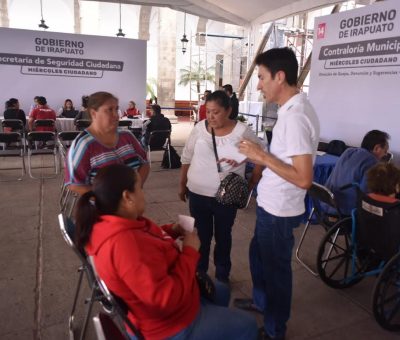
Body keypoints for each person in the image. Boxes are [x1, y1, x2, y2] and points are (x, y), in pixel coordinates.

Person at [75, 163, 258, 340]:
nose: (143, 194)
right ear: (127, 197)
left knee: (222, 290)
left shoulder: (112, 222)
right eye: (140, 188)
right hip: (168, 326)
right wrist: (190, 251)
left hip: (172, 304)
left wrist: (172, 230)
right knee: (248, 326)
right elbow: (164, 301)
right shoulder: (123, 245)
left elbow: (145, 237)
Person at [236, 47, 320, 340]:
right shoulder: (291, 110)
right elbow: (287, 160)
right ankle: (261, 302)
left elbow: (304, 179)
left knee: (276, 272)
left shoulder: (295, 116)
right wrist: (259, 155)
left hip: (279, 211)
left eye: (261, 77)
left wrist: (262, 157)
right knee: (258, 256)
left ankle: (274, 330)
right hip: (271, 204)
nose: (258, 84)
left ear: (279, 76)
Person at [179, 90, 263, 284]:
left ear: (228, 110)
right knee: (201, 236)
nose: (210, 117)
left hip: (227, 197)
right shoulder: (200, 128)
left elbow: (260, 156)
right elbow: (187, 156)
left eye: (215, 112)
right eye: (208, 111)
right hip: (197, 194)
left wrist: (252, 182)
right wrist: (182, 184)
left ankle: (222, 276)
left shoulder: (242, 131)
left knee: (223, 236)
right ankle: (199, 276)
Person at [65, 91, 150, 196]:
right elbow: (74, 184)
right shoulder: (83, 145)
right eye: (109, 110)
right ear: (93, 113)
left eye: (116, 109)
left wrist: (136, 188)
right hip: (103, 209)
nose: (116, 115)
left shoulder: (127, 136)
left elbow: (144, 163)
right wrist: (108, 201)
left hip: (131, 204)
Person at [324, 130, 390, 215]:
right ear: (376, 148)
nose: (385, 155)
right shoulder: (372, 162)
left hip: (328, 203)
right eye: (385, 151)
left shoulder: (348, 151)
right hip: (347, 210)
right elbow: (366, 194)